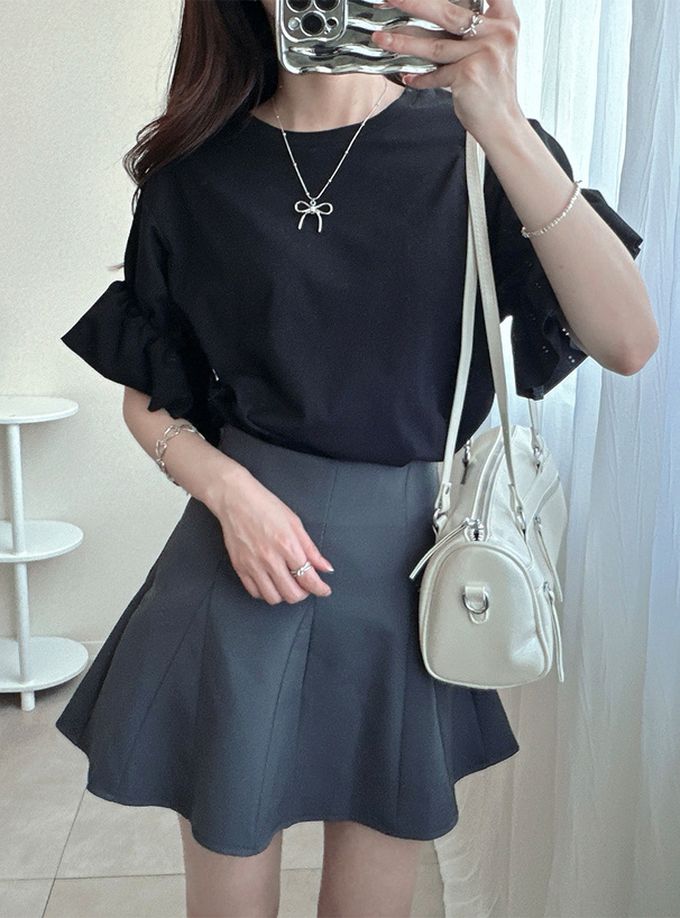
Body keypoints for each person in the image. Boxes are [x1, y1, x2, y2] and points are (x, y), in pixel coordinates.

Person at [54, 0, 655, 915]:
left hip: (406, 578)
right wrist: (229, 493)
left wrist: (500, 121)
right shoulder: (196, 173)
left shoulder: (478, 149)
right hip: (237, 564)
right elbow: (149, 389)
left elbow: (628, 341)